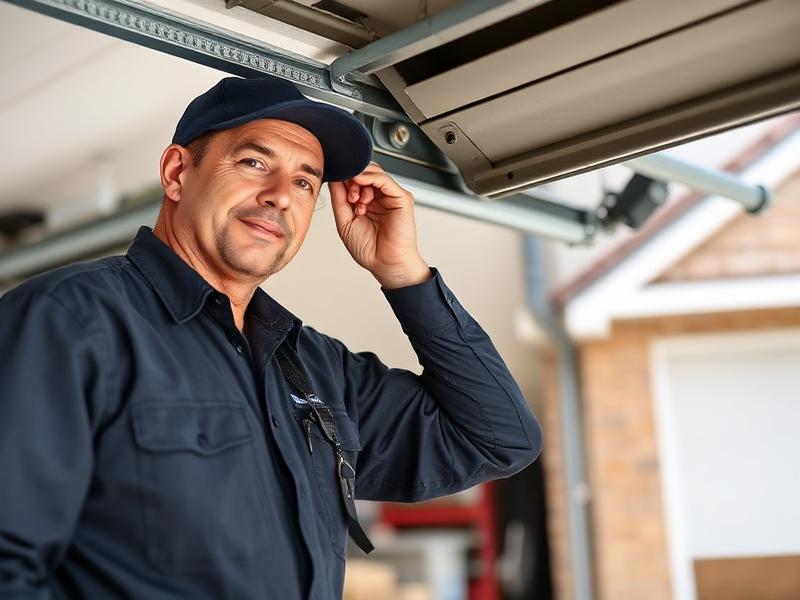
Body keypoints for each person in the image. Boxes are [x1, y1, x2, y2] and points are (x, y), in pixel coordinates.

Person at [0, 76, 542, 599]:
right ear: (176, 173)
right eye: (254, 162)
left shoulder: (315, 368)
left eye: (306, 181)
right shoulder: (69, 321)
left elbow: (498, 438)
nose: (282, 195)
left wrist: (404, 274)